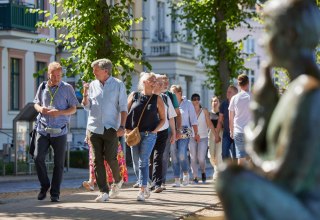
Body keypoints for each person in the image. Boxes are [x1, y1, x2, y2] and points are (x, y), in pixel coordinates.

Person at [217, 0, 320, 219]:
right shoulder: (297, 90)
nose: (263, 41)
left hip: (308, 208)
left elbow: (282, 177)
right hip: (299, 202)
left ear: (290, 35)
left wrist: (254, 136)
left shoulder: (306, 93)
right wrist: (264, 110)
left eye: (269, 30)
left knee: (230, 179)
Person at [82, 58, 127, 203]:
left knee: (110, 158)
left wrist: (122, 127)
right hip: (94, 128)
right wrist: (85, 94)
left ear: (105, 71)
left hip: (111, 128)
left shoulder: (118, 85)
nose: (93, 72)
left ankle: (118, 180)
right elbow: (87, 107)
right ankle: (104, 192)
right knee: (97, 160)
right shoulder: (92, 85)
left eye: (96, 70)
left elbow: (123, 108)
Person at [33, 61, 79, 202]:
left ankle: (55, 193)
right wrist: (41, 109)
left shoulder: (67, 88)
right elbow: (36, 103)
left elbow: (74, 108)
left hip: (60, 131)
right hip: (43, 129)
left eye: (59, 76)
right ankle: (44, 185)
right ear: (49, 74)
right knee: (37, 157)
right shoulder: (42, 86)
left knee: (59, 164)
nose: (57, 79)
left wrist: (59, 113)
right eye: (54, 76)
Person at [125, 72, 165, 201]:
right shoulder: (134, 96)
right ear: (144, 82)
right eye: (151, 80)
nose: (154, 82)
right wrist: (125, 130)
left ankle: (142, 190)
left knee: (143, 161)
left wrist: (155, 131)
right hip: (134, 135)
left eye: (155, 80)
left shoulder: (157, 99)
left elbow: (163, 119)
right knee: (136, 163)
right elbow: (125, 113)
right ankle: (146, 184)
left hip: (149, 135)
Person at [149, 74, 177, 193]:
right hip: (149, 132)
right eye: (159, 83)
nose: (162, 85)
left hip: (163, 132)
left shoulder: (166, 98)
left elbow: (171, 117)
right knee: (149, 158)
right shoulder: (147, 97)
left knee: (159, 157)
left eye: (162, 83)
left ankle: (157, 183)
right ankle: (150, 182)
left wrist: (174, 132)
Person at [170, 85, 199, 187]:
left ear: (180, 93)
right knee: (173, 155)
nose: (172, 94)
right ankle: (177, 179)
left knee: (181, 154)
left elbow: (194, 119)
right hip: (173, 132)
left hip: (184, 132)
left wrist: (196, 133)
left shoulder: (188, 104)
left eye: (174, 92)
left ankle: (186, 174)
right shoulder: (170, 103)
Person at [189, 93, 217, 183]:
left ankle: (203, 171)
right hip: (192, 137)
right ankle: (195, 176)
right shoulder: (189, 111)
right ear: (191, 100)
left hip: (203, 137)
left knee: (201, 158)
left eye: (198, 99)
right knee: (193, 157)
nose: (196, 100)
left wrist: (215, 134)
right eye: (194, 99)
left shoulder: (204, 111)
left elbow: (209, 123)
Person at [159, 74, 181, 190]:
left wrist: (176, 130)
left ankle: (161, 181)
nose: (166, 82)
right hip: (153, 130)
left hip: (167, 131)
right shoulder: (153, 94)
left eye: (167, 80)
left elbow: (176, 114)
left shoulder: (170, 96)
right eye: (164, 80)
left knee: (165, 156)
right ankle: (152, 180)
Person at [229, 74, 252, 165]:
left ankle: (241, 178)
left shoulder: (234, 98)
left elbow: (231, 117)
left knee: (240, 157)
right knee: (250, 157)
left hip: (238, 130)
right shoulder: (252, 96)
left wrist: (231, 131)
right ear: (248, 83)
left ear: (239, 85)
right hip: (250, 131)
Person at [216, 85, 238, 161]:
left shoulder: (238, 104)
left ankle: (236, 171)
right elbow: (220, 120)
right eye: (227, 92)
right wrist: (216, 134)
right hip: (226, 133)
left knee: (236, 156)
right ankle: (228, 170)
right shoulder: (223, 104)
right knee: (224, 154)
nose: (227, 93)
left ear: (235, 94)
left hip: (237, 133)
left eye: (229, 92)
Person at [208, 96, 222, 180]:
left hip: (221, 133)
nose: (214, 103)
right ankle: (216, 168)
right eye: (213, 101)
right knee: (211, 155)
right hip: (211, 134)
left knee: (218, 154)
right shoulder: (209, 114)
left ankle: (217, 172)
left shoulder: (221, 114)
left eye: (216, 101)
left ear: (219, 103)